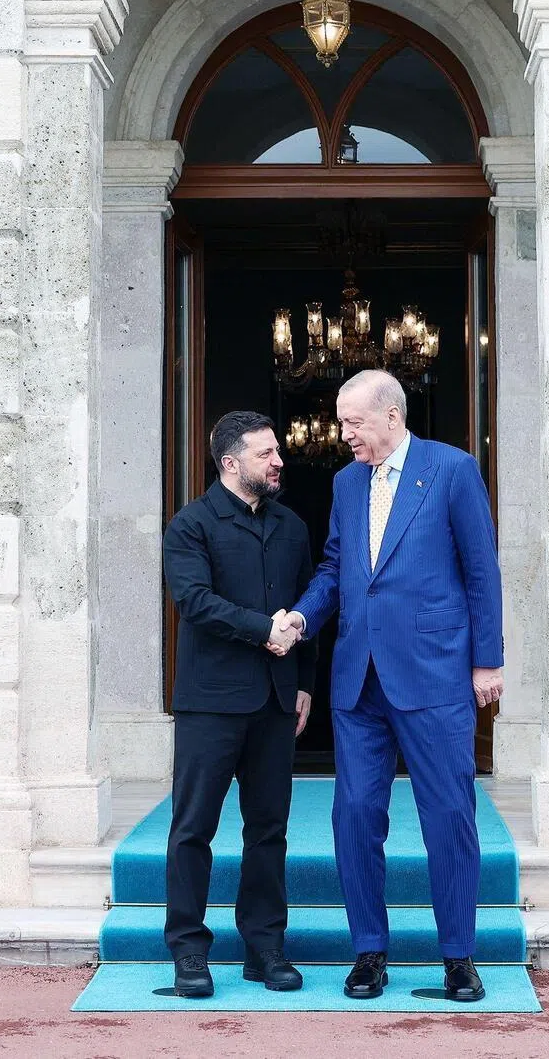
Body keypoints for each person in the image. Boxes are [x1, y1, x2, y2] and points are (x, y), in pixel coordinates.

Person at [274, 370, 503, 1002]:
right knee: (353, 816)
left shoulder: (452, 470)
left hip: (435, 673)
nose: (342, 433)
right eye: (341, 421)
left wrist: (488, 662)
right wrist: (302, 616)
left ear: (392, 416)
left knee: (450, 816)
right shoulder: (347, 482)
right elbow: (336, 567)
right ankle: (369, 953)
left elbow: (481, 569)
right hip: (359, 680)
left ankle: (458, 957)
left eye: (353, 421)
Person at [161, 410, 314, 998]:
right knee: (192, 828)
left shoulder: (293, 526)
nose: (279, 461)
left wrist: (303, 681)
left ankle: (264, 947)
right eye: (266, 453)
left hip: (277, 701)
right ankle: (189, 953)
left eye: (277, 451)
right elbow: (194, 601)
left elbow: (308, 612)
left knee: (269, 829)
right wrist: (264, 630)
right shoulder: (191, 525)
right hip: (211, 704)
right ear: (231, 463)